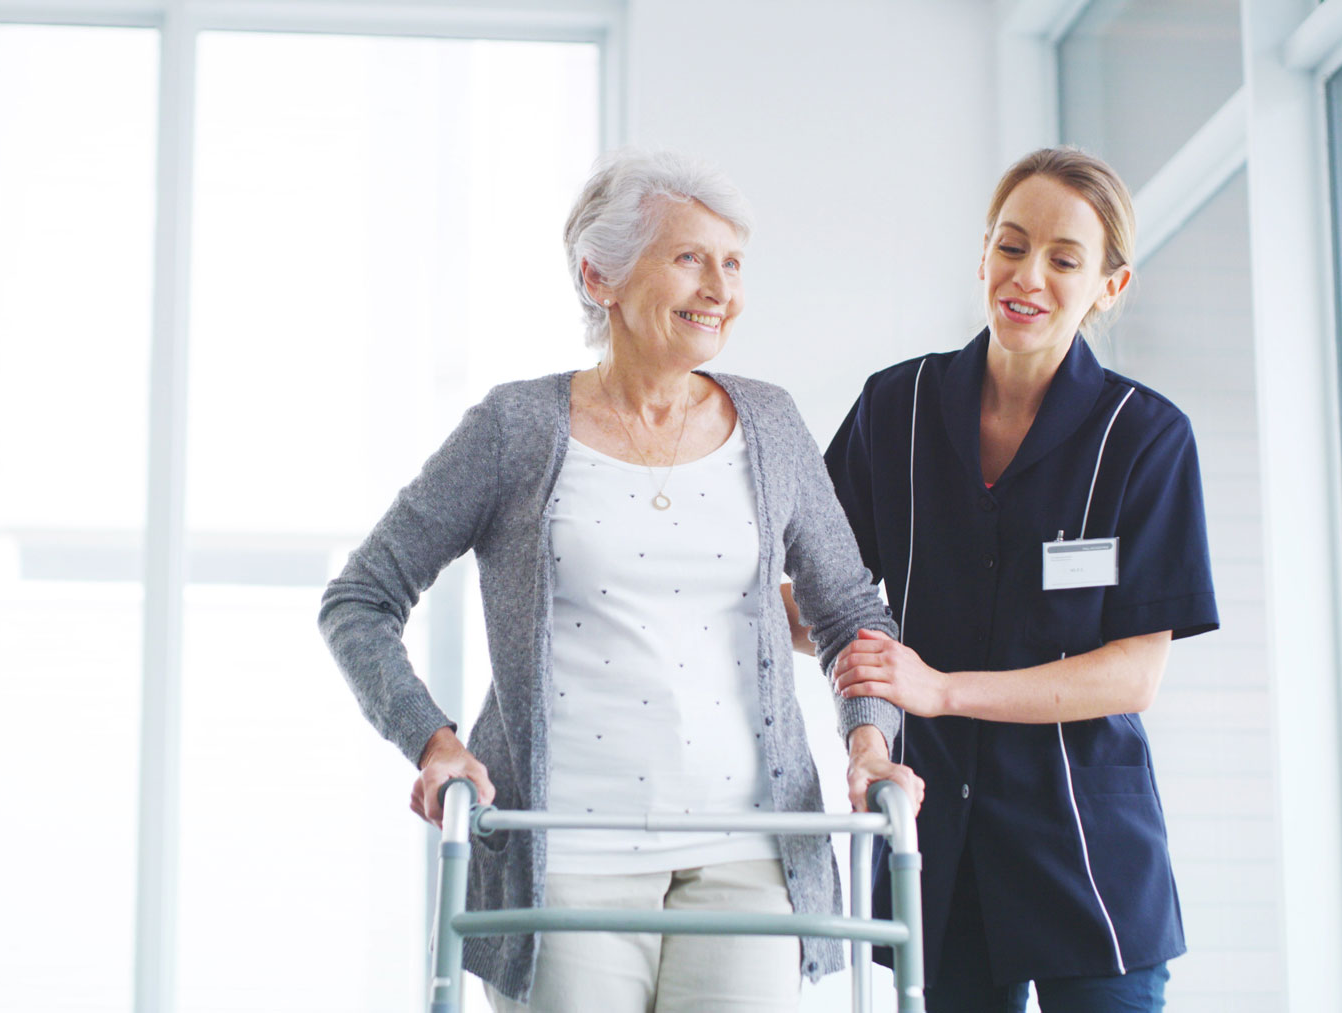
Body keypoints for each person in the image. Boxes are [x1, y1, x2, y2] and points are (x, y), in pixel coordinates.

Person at [319, 149, 923, 1012]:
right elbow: (361, 598)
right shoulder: (516, 428)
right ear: (599, 275)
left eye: (733, 262)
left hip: (750, 850)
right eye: (689, 257)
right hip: (564, 855)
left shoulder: (771, 422)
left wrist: (868, 743)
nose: (720, 286)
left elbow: (852, 615)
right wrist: (432, 739)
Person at [816, 147, 1218, 1011]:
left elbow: (1132, 675)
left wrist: (943, 688)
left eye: (1065, 259)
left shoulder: (1146, 439)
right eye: (1011, 245)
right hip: (941, 845)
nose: (1027, 275)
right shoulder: (897, 409)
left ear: (1110, 286)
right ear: (984, 254)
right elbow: (822, 593)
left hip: (1090, 853)